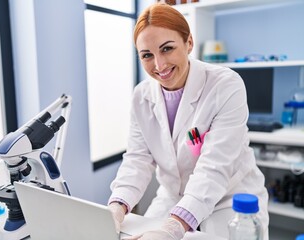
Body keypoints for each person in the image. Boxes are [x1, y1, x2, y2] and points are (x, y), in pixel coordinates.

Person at [108, 2, 269, 240]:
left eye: (167, 49)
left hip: (229, 201)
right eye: (147, 55)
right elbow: (137, 160)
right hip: (173, 197)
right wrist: (117, 206)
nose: (159, 65)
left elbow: (214, 168)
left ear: (189, 43)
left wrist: (173, 228)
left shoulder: (225, 85)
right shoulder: (141, 96)